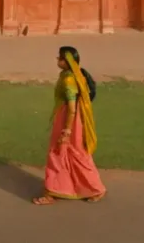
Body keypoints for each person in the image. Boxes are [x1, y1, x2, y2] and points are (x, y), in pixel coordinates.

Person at [32, 46, 106, 205]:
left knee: (61, 153)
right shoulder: (72, 74)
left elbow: (72, 108)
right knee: (74, 154)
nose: (57, 60)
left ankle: (53, 193)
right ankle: (83, 188)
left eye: (60, 58)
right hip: (71, 119)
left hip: (68, 120)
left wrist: (66, 130)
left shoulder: (69, 79)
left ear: (67, 62)